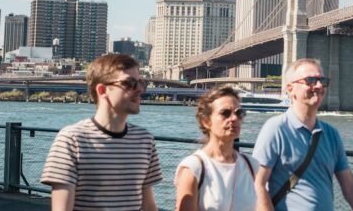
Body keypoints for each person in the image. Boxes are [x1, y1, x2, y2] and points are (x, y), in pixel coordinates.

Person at [41, 54, 163, 211]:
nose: (139, 89)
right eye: (129, 83)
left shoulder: (144, 140)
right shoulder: (72, 140)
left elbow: (149, 206)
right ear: (103, 90)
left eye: (141, 82)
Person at [253, 58, 353, 211]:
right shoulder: (275, 129)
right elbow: (258, 184)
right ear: (290, 89)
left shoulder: (331, 134)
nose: (319, 85)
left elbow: (350, 187)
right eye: (310, 81)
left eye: (322, 80)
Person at [174, 85, 259, 211]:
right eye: (225, 113)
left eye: (239, 113)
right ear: (206, 121)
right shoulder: (193, 168)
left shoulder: (251, 165)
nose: (234, 118)